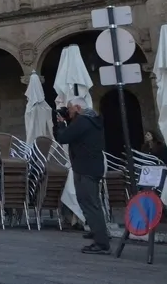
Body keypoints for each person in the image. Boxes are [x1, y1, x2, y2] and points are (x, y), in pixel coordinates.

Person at [55, 97, 108, 255]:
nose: (68, 111)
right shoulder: (92, 121)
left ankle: (101, 243)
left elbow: (63, 137)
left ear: (78, 108)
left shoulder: (82, 121)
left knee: (89, 204)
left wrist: (61, 124)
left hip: (85, 168)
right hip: (92, 167)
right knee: (91, 203)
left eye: (70, 108)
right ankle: (98, 232)